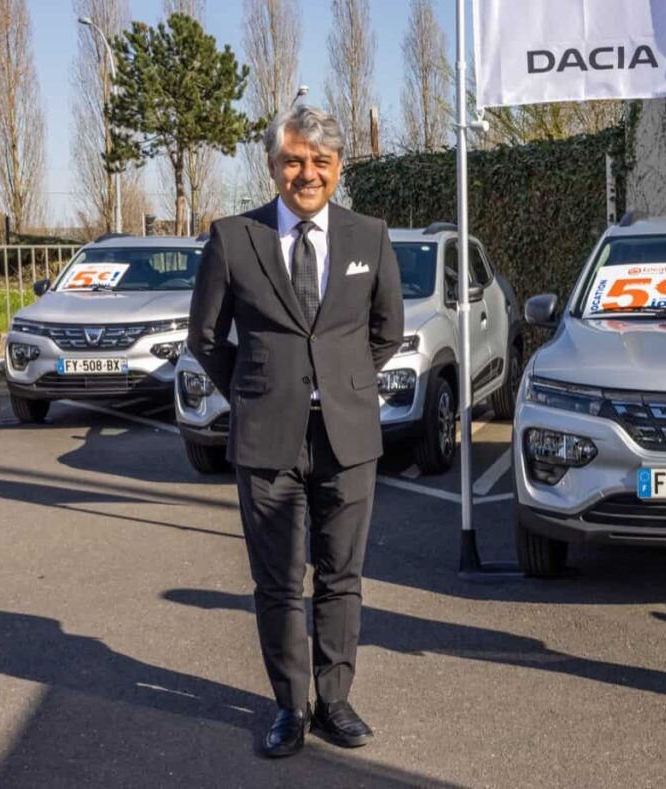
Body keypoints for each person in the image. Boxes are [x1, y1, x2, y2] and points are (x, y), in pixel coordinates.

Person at [188, 105, 403, 758]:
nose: (306, 173)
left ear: (338, 168)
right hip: (266, 439)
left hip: (348, 437)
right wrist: (255, 391)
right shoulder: (233, 236)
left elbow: (386, 330)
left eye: (320, 161)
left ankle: (335, 701)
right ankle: (291, 705)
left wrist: (343, 385)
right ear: (273, 166)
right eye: (293, 160)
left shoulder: (369, 237)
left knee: (341, 575)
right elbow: (205, 337)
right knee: (279, 580)